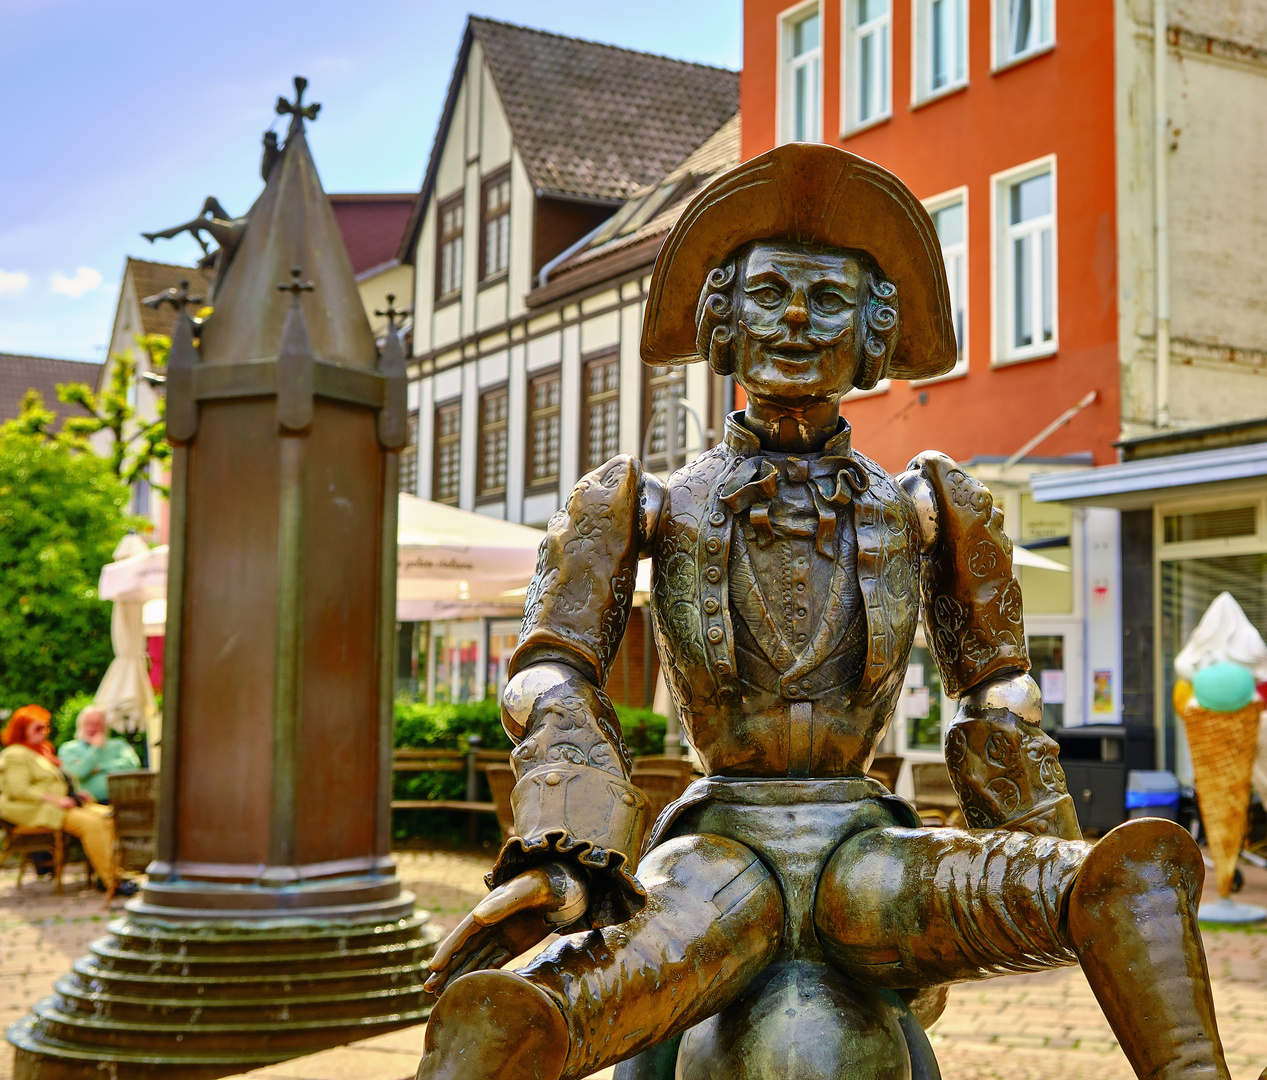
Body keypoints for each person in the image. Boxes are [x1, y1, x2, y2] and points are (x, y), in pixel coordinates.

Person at [415, 145, 1233, 1080]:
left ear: (872, 337)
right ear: (721, 322)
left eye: (829, 300)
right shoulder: (640, 503)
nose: (797, 321)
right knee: (522, 1014)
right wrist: (565, 850)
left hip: (869, 855)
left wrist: (1050, 869)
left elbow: (1000, 698)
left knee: (1129, 872)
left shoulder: (930, 505)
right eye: (768, 296)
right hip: (719, 859)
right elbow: (549, 673)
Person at [0, 704, 137, 896]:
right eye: (38, 728)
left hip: (63, 804)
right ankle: (112, 881)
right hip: (40, 809)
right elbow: (18, 790)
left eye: (45, 727)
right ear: (22, 730)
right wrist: (56, 800)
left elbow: (63, 779)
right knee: (92, 825)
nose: (44, 732)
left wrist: (76, 794)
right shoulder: (15, 754)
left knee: (107, 816)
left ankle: (107, 873)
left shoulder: (41, 752)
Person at [58, 706, 141, 804]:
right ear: (80, 725)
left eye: (97, 724)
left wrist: (100, 767)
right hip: (88, 803)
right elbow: (78, 772)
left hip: (124, 800)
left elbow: (133, 766)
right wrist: (95, 748)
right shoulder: (68, 748)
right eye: (88, 723)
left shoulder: (118, 744)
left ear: (105, 726)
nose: (92, 728)